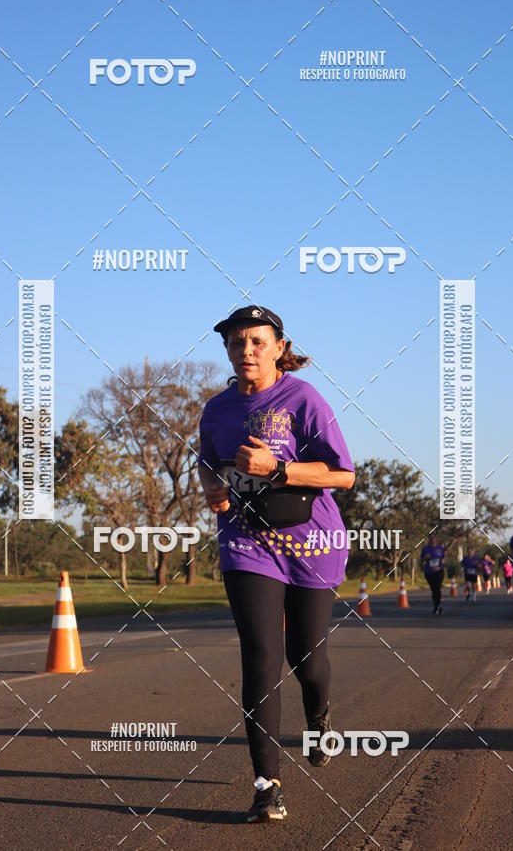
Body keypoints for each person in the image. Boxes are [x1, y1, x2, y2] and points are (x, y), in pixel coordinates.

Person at [197, 305, 355, 823]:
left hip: (312, 542)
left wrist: (279, 467)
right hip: (247, 545)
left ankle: (318, 719)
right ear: (226, 349)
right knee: (261, 656)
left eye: (257, 342)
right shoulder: (215, 410)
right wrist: (213, 493)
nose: (247, 351)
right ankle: (267, 785)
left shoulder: (303, 398)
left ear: (279, 347)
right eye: (237, 342)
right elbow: (207, 466)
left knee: (306, 660)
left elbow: (343, 475)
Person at [420, 534, 445, 614]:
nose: (432, 540)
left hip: (439, 571)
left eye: (434, 538)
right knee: (434, 589)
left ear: (436, 539)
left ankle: (438, 605)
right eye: (431, 538)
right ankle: (437, 606)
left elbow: (443, 557)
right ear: (429, 539)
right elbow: (421, 560)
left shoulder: (440, 548)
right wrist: (425, 558)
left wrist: (443, 561)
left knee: (437, 587)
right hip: (429, 572)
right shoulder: (425, 549)